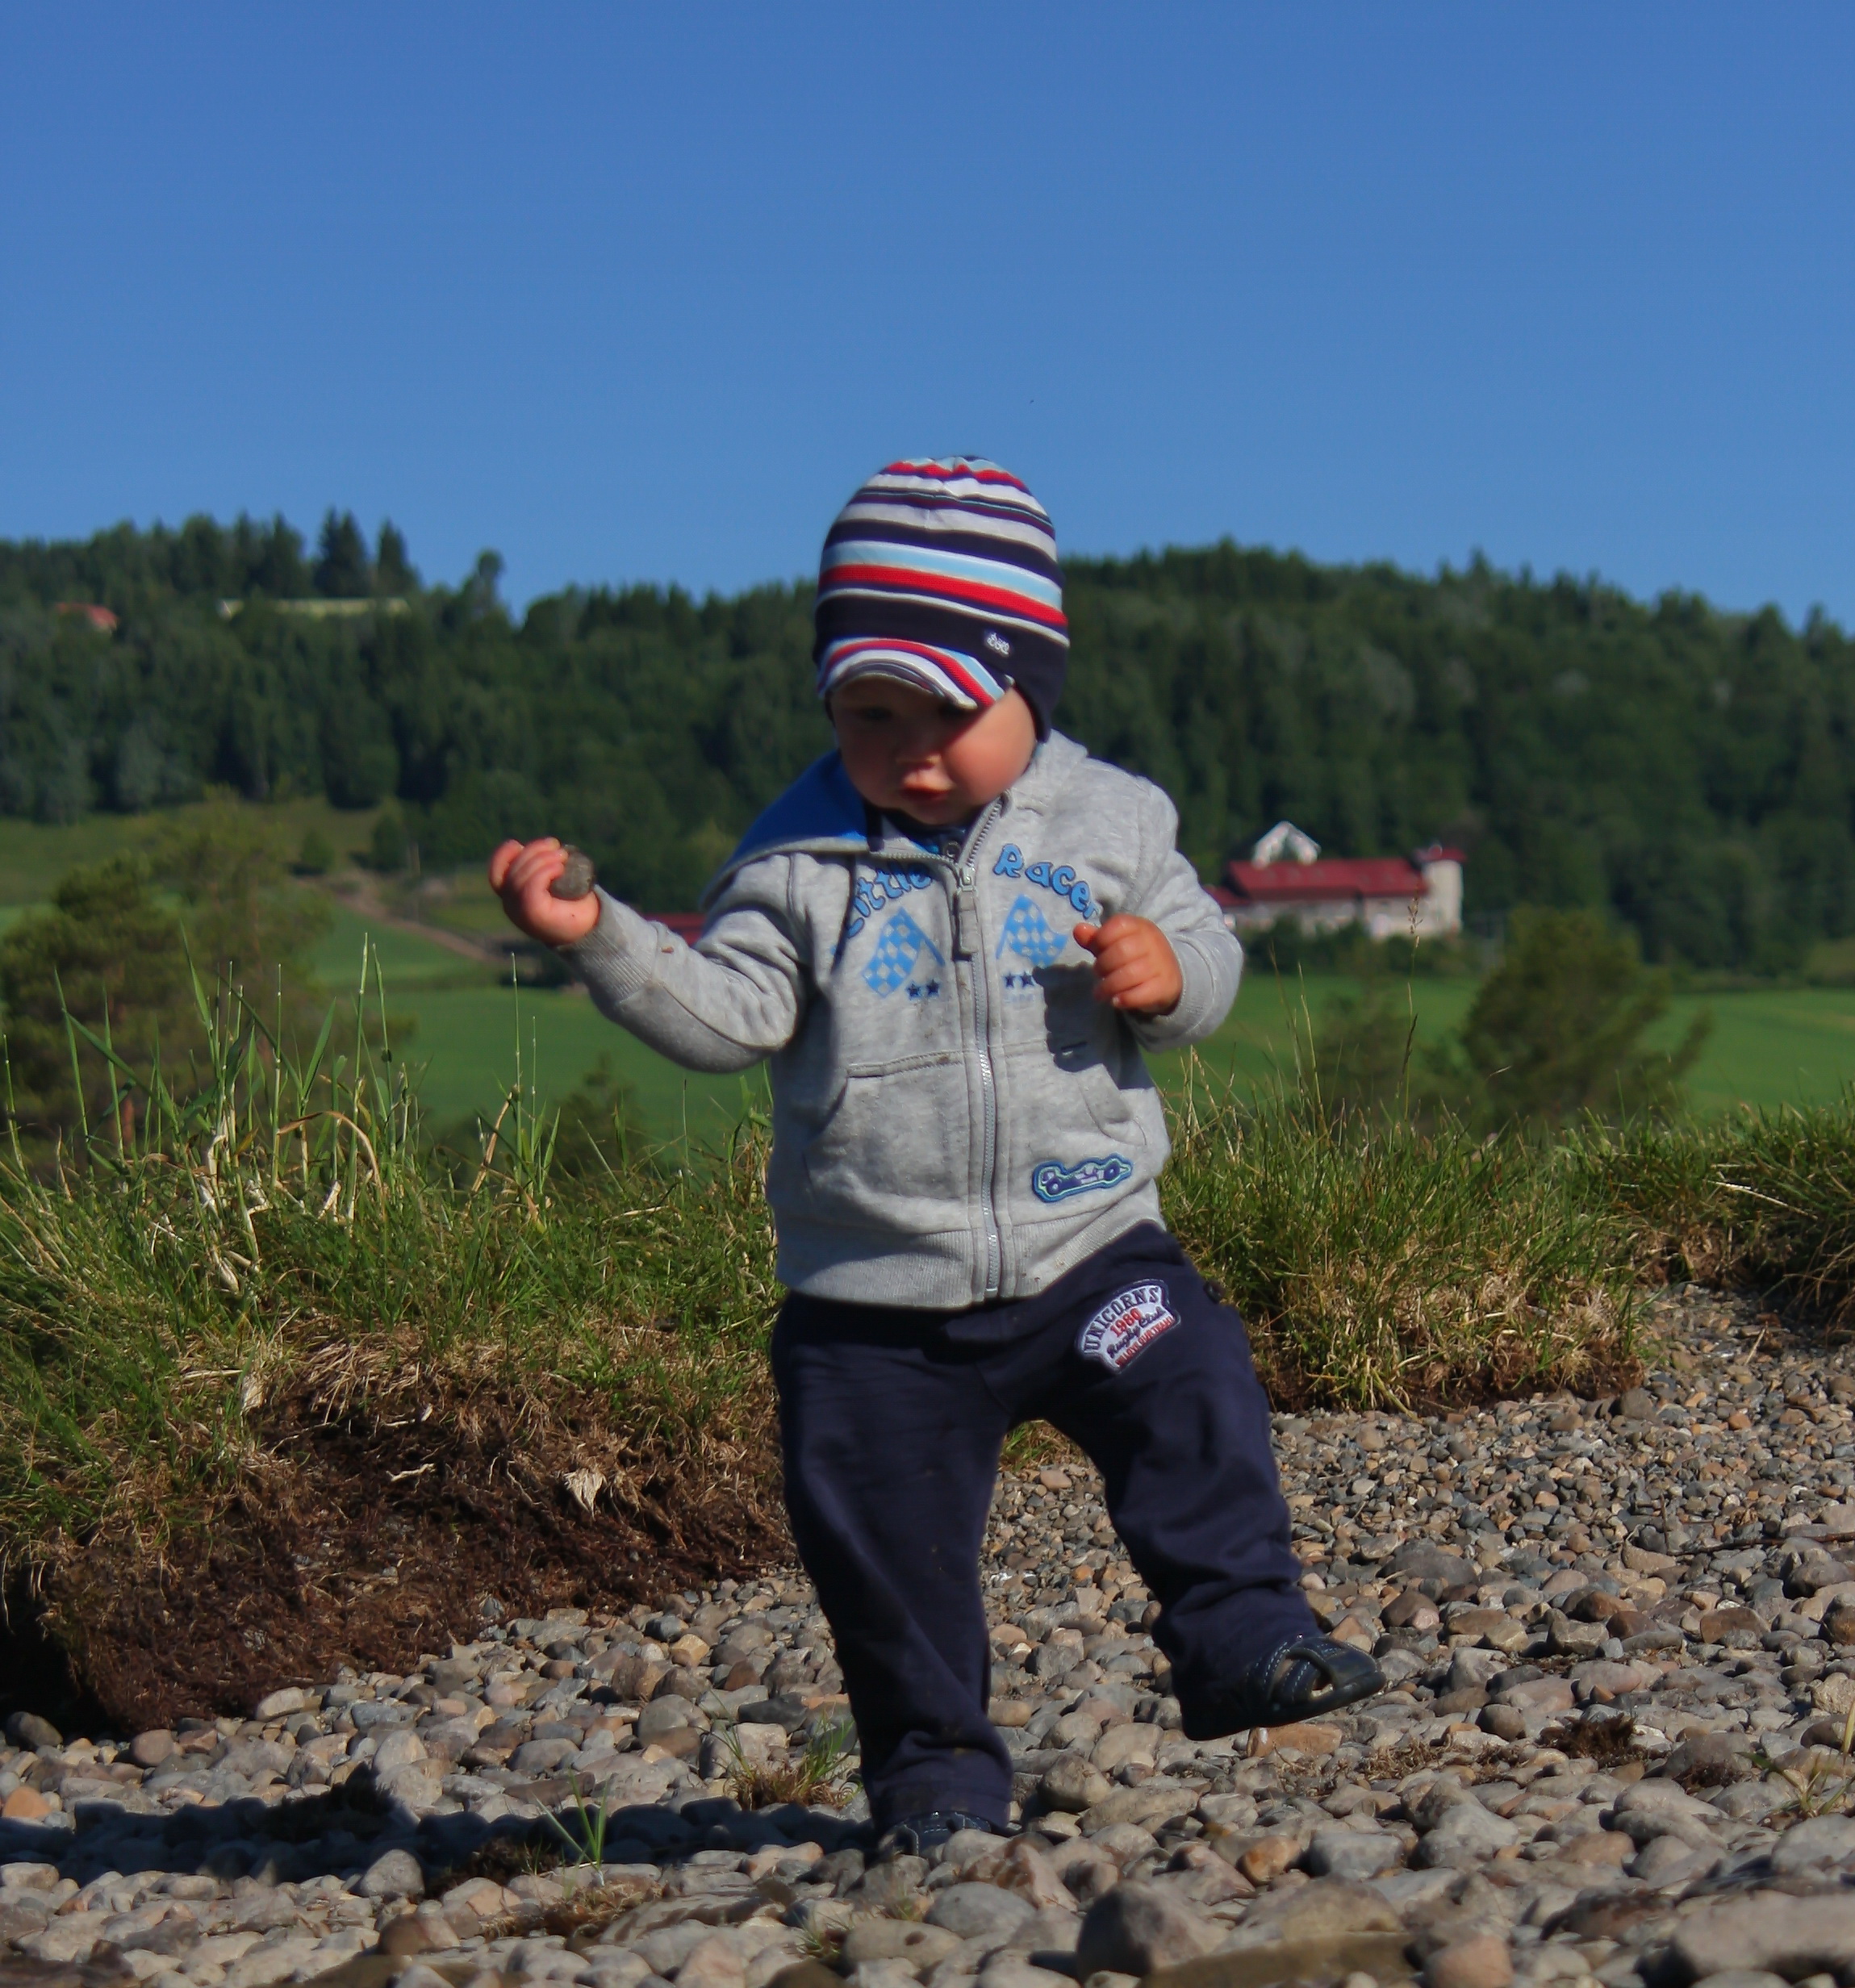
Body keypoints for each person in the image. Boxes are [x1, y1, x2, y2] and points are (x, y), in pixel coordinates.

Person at [491, 457, 1381, 1856]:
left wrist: (1171, 973)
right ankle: (936, 1780)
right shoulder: (795, 863)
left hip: (1090, 1251)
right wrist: (599, 937)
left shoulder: (1111, 822)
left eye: (949, 714)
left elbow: (1208, 944)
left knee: (1197, 1387)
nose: (910, 748)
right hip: (874, 1308)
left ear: (1033, 686)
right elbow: (728, 1020)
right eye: (869, 712)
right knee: (883, 1556)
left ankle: (1242, 1639)